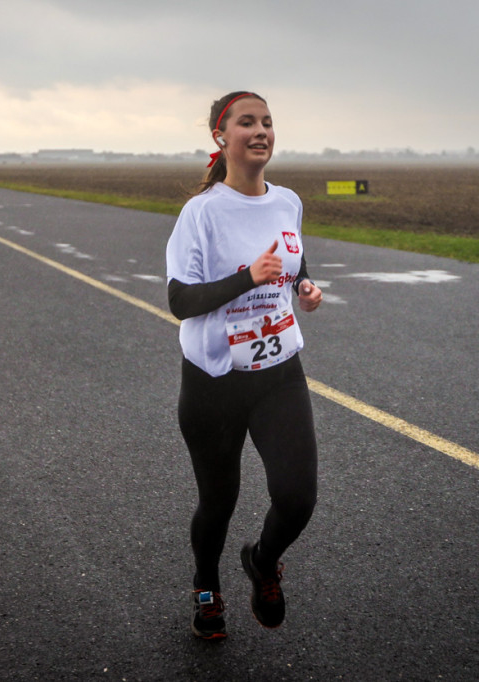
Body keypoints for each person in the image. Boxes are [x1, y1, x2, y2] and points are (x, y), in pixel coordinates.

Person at [165, 91, 324, 640]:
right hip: (215, 379)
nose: (261, 132)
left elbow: (293, 256)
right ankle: (207, 587)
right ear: (220, 136)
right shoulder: (202, 212)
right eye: (247, 123)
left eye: (268, 123)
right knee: (219, 501)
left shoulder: (287, 201)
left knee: (298, 497)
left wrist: (302, 284)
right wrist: (246, 279)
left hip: (279, 371)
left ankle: (262, 560)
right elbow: (180, 301)